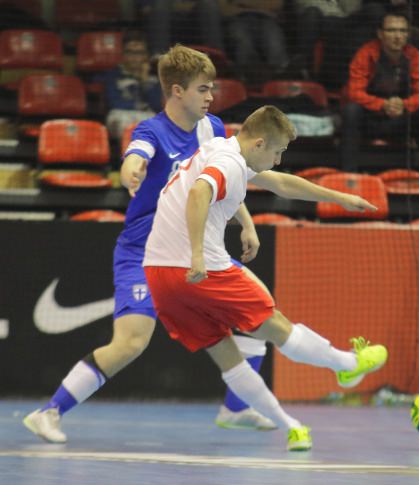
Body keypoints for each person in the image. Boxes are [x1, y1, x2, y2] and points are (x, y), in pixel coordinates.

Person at [23, 44, 273, 444]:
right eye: (203, 89)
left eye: (212, 89)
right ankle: (48, 412)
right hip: (145, 252)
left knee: (259, 316)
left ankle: (237, 408)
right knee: (131, 342)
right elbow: (136, 156)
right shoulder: (151, 131)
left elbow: (227, 179)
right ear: (177, 91)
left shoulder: (213, 129)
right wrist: (131, 168)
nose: (211, 97)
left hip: (195, 250)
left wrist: (246, 224)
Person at [143, 105, 388, 450]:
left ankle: (290, 426)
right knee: (274, 324)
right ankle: (347, 365)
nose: (277, 161)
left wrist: (339, 197)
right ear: (259, 144)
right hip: (197, 267)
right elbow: (200, 192)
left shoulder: (222, 150)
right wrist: (197, 254)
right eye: (277, 152)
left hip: (158, 272)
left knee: (226, 352)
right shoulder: (228, 162)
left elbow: (282, 184)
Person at [340, 7, 419, 176]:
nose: (397, 36)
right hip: (371, 121)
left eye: (402, 31)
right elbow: (354, 92)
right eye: (391, 30)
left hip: (402, 120)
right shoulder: (366, 53)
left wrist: (404, 105)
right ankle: (348, 175)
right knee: (351, 110)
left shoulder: (414, 56)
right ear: (380, 33)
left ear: (408, 34)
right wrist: (383, 105)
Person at [104, 31, 163, 139]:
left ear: (146, 56)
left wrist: (144, 81)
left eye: (139, 53)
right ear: (123, 54)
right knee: (125, 123)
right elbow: (113, 102)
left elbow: (156, 105)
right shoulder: (113, 75)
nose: (135, 57)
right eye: (130, 52)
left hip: (146, 115)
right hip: (121, 114)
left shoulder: (153, 79)